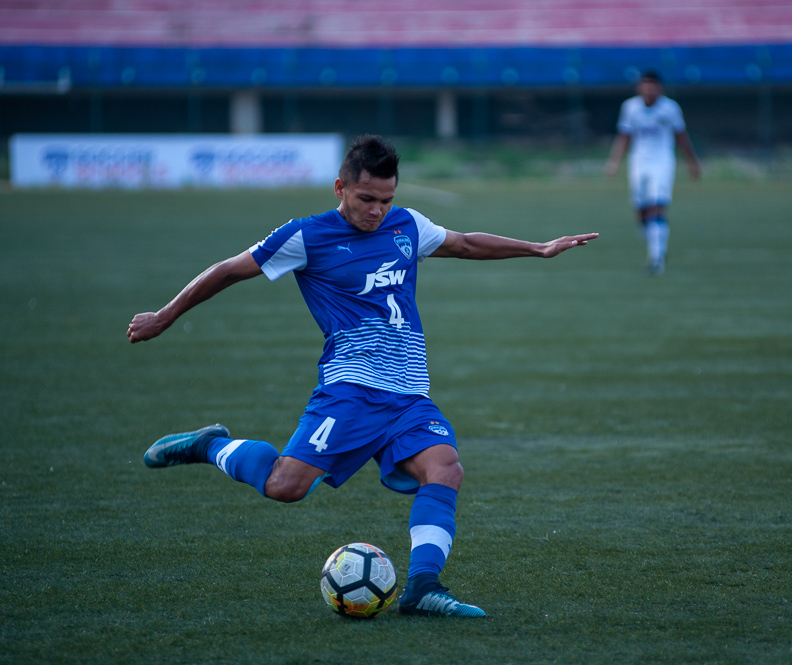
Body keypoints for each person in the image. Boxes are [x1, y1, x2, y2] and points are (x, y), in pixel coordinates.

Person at [127, 135, 598, 618]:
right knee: (286, 487)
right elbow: (228, 271)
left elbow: (463, 243)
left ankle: (421, 588)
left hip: (409, 393)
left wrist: (538, 248)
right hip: (350, 389)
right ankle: (208, 446)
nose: (377, 211)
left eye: (386, 200)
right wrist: (165, 315)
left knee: (446, 469)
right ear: (340, 188)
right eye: (367, 199)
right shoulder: (305, 236)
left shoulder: (406, 225)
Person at [605, 70, 701, 275]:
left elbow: (681, 136)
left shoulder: (670, 108)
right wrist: (614, 162)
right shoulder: (630, 107)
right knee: (641, 212)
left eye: (652, 84)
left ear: (659, 87)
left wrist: (692, 162)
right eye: (644, 84)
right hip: (639, 163)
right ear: (639, 87)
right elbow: (624, 136)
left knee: (657, 206)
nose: (648, 89)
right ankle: (657, 247)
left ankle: (656, 257)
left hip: (662, 162)